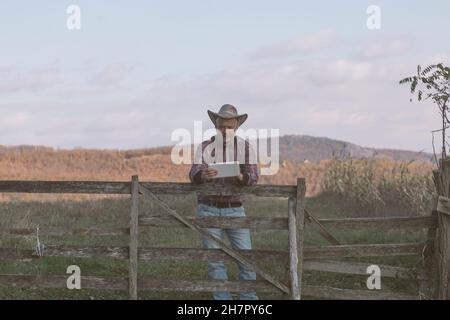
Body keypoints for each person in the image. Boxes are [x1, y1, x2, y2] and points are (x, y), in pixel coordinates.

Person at [189, 104, 259, 300]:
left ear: (236, 127)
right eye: (221, 126)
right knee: (215, 260)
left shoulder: (245, 147)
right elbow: (193, 172)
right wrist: (203, 174)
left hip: (235, 208)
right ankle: (222, 301)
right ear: (216, 125)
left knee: (245, 257)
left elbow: (254, 177)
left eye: (229, 126)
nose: (225, 130)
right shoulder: (204, 147)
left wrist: (240, 177)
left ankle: (248, 301)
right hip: (208, 209)